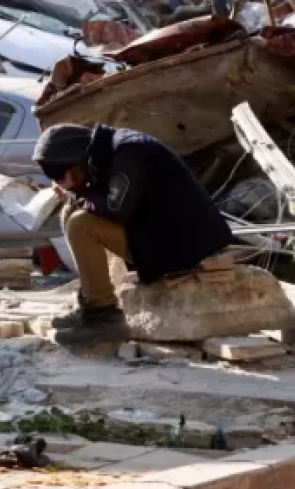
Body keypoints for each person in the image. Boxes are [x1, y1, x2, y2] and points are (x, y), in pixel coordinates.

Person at [32, 123, 234, 345]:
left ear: (76, 162)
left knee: (82, 223)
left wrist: (78, 192)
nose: (62, 184)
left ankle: (104, 317)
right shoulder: (104, 152)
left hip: (185, 243)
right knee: (71, 209)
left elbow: (116, 209)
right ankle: (91, 302)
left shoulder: (128, 152)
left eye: (62, 177)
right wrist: (75, 192)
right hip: (159, 231)